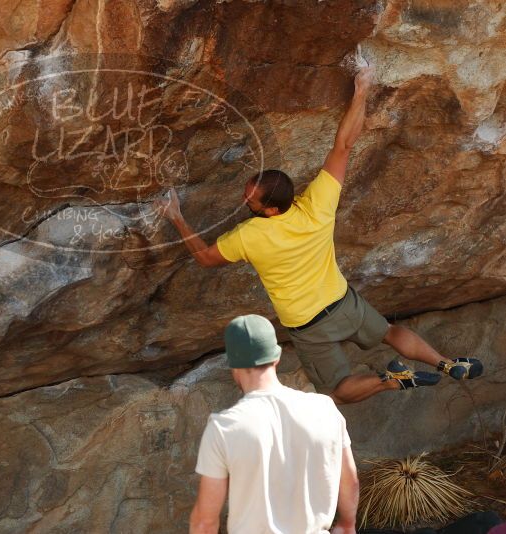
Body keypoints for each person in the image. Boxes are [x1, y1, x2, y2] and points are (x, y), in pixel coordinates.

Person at [155, 66, 483, 404]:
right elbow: (344, 144)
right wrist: (361, 90)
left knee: (337, 390)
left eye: (249, 197)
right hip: (342, 302)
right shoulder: (317, 206)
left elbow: (206, 259)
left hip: (309, 324)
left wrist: (176, 216)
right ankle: (447, 363)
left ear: (268, 209)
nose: (244, 199)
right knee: (388, 332)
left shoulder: (249, 235)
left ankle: (389, 381)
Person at [190, 314, 359, 534]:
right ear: (276, 358)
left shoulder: (224, 427)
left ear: (233, 366)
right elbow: (350, 482)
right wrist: (347, 524)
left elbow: (205, 523)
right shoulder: (325, 409)